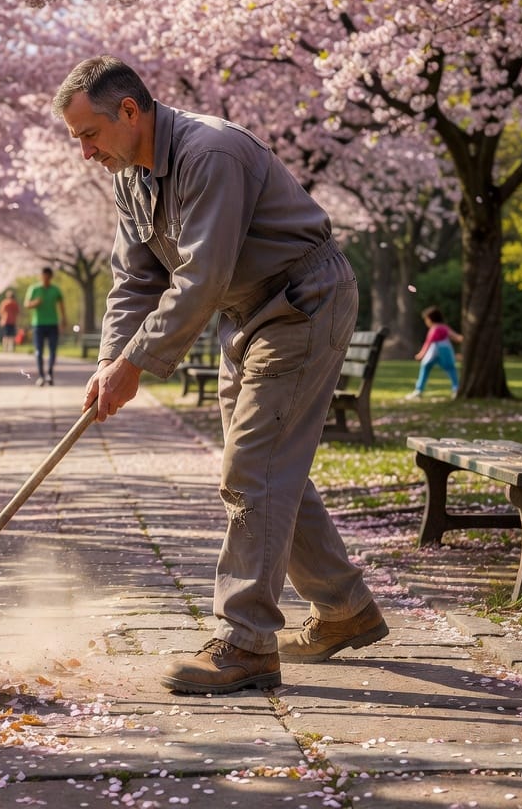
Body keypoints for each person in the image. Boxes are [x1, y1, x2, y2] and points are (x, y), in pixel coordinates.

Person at [52, 55, 386, 695]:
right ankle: (346, 610)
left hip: (302, 301)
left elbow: (199, 276)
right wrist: (109, 362)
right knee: (260, 465)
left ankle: (245, 642)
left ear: (129, 110)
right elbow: (135, 281)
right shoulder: (131, 177)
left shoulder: (212, 154)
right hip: (250, 314)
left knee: (253, 469)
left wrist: (139, 364)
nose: (86, 154)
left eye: (89, 135)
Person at [407, 306, 462, 399]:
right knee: (450, 369)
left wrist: (421, 355)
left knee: (426, 367)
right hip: (446, 349)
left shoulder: (435, 328)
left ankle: (418, 390)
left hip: (435, 351)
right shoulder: (444, 327)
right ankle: (456, 388)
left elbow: (428, 343)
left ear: (430, 319)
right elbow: (456, 337)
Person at [24, 267, 67, 386]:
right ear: (41, 276)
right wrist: (35, 303)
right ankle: (41, 376)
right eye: (44, 277)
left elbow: (61, 305)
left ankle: (50, 374)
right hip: (38, 324)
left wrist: (64, 319)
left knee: (53, 351)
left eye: (48, 277)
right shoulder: (34, 289)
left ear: (51, 277)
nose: (46, 279)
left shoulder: (55, 290)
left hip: (53, 324)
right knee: (39, 351)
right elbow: (26, 304)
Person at [0, 288, 20, 352]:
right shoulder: (15, 303)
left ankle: (5, 348)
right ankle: (11, 348)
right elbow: (17, 312)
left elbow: (0, 312)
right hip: (12, 321)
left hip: (5, 321)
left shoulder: (4, 303)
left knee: (5, 335)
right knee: (11, 336)